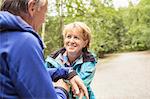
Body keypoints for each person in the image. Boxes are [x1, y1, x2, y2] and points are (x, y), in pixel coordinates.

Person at [0, 0, 89, 99]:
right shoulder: (24, 41)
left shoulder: (5, 36)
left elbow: (31, 75)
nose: (44, 20)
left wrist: (66, 72)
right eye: (45, 12)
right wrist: (62, 90)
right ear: (32, 7)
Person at [45, 22, 97, 99]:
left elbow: (80, 85)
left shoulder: (89, 61)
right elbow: (42, 77)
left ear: (85, 43)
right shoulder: (52, 59)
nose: (71, 41)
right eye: (68, 37)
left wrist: (58, 82)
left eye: (76, 37)